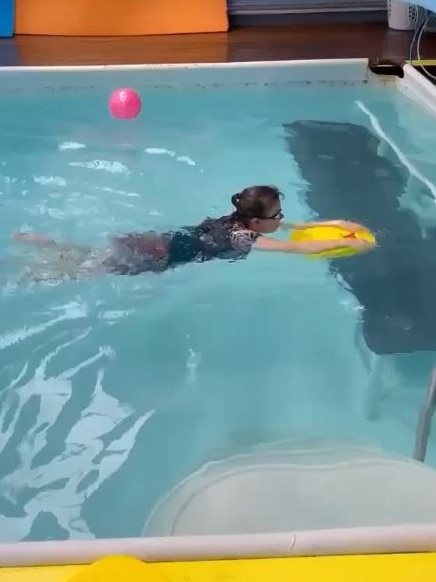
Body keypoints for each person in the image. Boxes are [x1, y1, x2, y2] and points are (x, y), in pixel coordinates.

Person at [12, 185, 373, 281]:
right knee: (82, 272)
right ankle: (31, 272)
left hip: (158, 239)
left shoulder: (237, 220)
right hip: (158, 256)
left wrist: (335, 224)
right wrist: (345, 246)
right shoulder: (245, 239)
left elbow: (290, 228)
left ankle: (48, 244)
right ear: (257, 223)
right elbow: (298, 250)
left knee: (94, 254)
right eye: (277, 214)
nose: (283, 219)